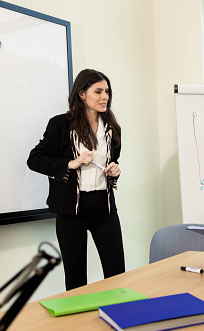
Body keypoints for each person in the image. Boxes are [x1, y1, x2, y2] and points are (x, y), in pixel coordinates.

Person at [27, 69, 125, 290]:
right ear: (82, 94)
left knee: (117, 274)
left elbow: (114, 160)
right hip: (71, 213)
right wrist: (71, 163)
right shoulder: (60, 125)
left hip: (104, 209)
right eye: (98, 91)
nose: (105, 97)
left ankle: (120, 318)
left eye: (107, 91)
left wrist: (115, 169)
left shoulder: (112, 129)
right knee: (76, 279)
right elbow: (35, 159)